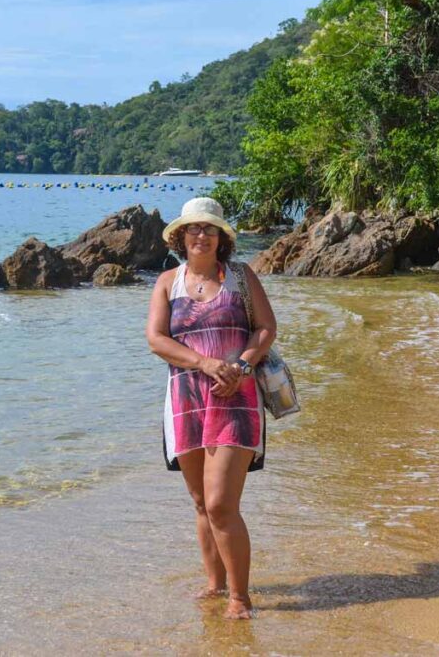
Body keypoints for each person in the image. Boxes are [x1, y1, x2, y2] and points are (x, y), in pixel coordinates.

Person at [145, 196, 277, 620]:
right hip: (186, 400)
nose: (201, 235)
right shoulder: (168, 281)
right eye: (193, 229)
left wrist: (239, 366)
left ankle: (240, 597)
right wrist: (203, 362)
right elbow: (156, 339)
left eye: (209, 229)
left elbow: (266, 329)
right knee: (201, 502)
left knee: (221, 504)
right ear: (181, 237)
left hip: (236, 397)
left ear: (222, 238)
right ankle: (215, 585)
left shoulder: (240, 276)